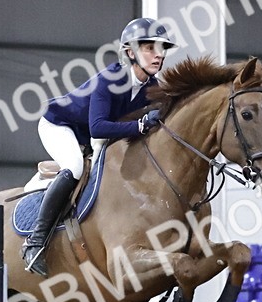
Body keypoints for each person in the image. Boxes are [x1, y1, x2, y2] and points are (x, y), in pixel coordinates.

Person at [21, 17, 179, 276]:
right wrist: (139, 126)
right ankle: (35, 242)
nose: (158, 55)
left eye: (161, 49)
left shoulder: (153, 88)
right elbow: (99, 128)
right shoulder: (110, 79)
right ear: (130, 52)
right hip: (60, 125)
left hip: (92, 138)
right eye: (149, 48)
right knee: (73, 167)